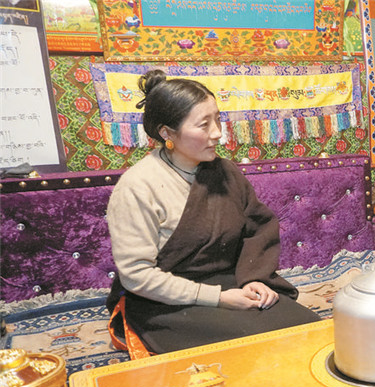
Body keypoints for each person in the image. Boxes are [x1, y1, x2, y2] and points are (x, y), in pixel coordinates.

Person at [105, 69, 320, 355]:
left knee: (307, 329)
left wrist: (254, 279)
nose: (217, 133)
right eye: (204, 125)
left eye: (218, 119)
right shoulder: (137, 187)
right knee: (253, 348)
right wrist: (218, 298)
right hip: (163, 299)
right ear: (167, 133)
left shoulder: (225, 171)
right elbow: (137, 275)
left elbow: (256, 229)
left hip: (230, 282)